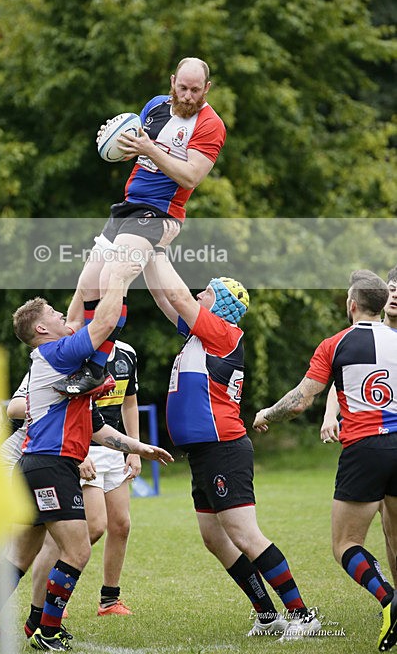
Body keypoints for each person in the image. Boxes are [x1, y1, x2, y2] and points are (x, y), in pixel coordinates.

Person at [0, 259, 173, 653]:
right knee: (77, 550)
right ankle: (47, 631)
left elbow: (97, 429)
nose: (64, 316)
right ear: (41, 329)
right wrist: (120, 276)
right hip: (52, 465)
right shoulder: (58, 353)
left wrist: (140, 447)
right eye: (54, 314)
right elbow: (105, 321)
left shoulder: (62, 365)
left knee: (19, 554)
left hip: (32, 466)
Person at [144, 220, 320, 641]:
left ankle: (302, 616)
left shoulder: (222, 332)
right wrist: (145, 253)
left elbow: (177, 296)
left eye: (206, 293)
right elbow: (162, 296)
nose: (198, 296)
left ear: (219, 304)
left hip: (223, 447)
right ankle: (268, 614)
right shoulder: (200, 336)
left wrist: (160, 248)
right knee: (215, 539)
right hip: (205, 452)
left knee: (244, 534)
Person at [253, 269, 397, 652]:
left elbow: (300, 401)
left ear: (352, 305)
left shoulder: (336, 344)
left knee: (345, 543)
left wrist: (266, 413)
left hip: (365, 448)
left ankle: (389, 599)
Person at [72, 58, 226, 393]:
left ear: (207, 89)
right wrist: (113, 142)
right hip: (128, 205)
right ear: (172, 82)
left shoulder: (210, 124)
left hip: (160, 211)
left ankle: (96, 367)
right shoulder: (155, 106)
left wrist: (149, 148)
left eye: (195, 90)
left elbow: (191, 176)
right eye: (182, 88)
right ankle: (79, 361)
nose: (188, 96)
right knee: (88, 286)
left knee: (115, 276)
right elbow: (135, 150)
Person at [15, 338, 140, 627]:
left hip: (114, 447)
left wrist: (134, 450)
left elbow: (130, 403)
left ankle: (109, 600)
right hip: (81, 448)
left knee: (121, 525)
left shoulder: (127, 353)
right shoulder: (74, 352)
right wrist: (80, 454)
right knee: (92, 527)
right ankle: (51, 599)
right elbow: (42, 406)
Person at [319, 266, 397, 584]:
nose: (395, 295)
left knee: (389, 532)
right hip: (376, 443)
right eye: (392, 288)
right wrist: (329, 416)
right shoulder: (358, 339)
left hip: (373, 445)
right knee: (387, 527)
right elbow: (343, 381)